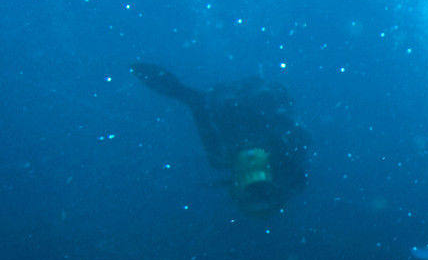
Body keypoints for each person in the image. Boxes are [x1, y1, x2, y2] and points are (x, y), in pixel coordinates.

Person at [132, 63, 308, 216]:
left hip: (240, 117)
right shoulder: (285, 156)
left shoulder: (222, 154)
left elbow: (195, 103)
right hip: (249, 118)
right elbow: (195, 103)